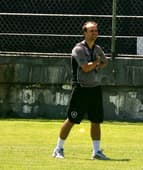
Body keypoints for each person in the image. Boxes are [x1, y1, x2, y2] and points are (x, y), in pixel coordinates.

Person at [52, 21, 109, 160]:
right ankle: (58, 149)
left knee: (96, 120)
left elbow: (105, 61)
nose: (94, 33)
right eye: (91, 31)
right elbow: (85, 68)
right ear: (84, 33)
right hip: (81, 89)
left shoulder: (97, 48)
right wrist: (96, 63)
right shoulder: (78, 49)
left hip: (95, 89)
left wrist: (99, 64)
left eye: (96, 31)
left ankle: (96, 151)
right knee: (71, 119)